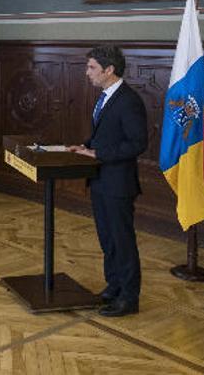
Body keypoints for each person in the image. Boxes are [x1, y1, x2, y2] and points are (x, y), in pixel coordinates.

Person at [67, 45, 147, 318]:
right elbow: (103, 135)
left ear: (109, 70)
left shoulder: (128, 100)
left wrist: (98, 153)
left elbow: (138, 143)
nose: (86, 72)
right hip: (100, 180)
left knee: (122, 240)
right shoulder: (104, 97)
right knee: (107, 239)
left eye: (91, 67)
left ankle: (129, 298)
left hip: (118, 184)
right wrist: (85, 146)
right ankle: (113, 287)